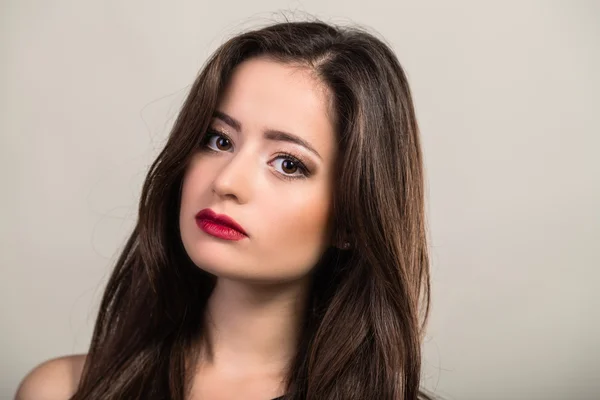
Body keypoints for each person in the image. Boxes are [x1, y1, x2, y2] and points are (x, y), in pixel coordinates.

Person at [16, 20, 432, 400]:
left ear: (351, 219)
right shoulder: (61, 391)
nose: (227, 181)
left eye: (288, 163)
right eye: (219, 140)